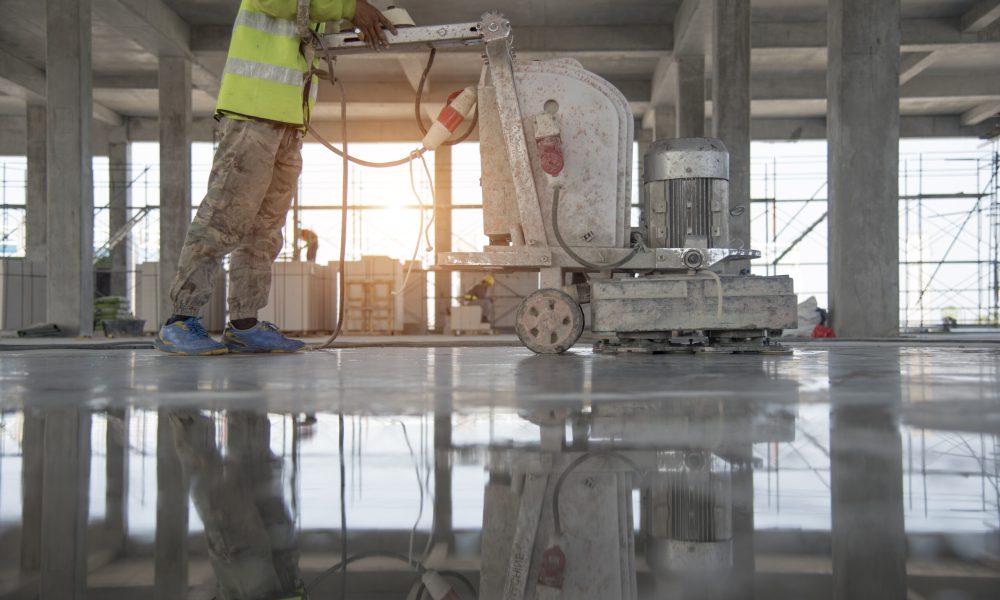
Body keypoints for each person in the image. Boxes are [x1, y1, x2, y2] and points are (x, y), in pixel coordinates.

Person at [154, 0, 397, 355]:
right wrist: (349, 7)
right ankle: (179, 320)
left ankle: (244, 323)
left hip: (288, 121)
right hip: (252, 111)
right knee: (223, 218)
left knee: (265, 229)